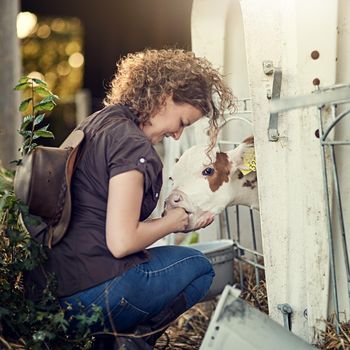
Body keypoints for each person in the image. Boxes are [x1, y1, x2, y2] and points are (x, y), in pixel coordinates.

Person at [29, 49, 234, 349]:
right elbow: (122, 242)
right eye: (182, 122)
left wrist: (170, 225)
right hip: (85, 294)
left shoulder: (100, 123)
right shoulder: (131, 146)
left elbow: (105, 223)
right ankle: (126, 345)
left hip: (52, 290)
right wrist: (174, 221)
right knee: (198, 265)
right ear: (165, 96)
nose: (177, 135)